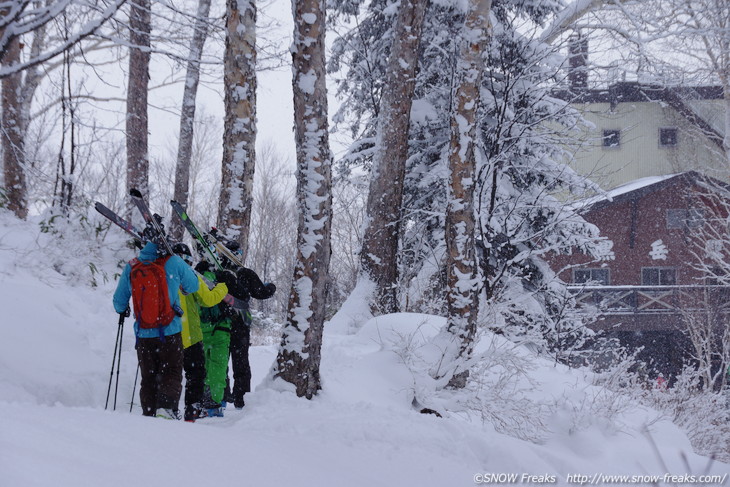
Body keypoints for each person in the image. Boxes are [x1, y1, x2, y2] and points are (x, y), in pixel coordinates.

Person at [113, 228, 199, 420]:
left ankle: (149, 414)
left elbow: (119, 301)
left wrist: (123, 310)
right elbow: (194, 285)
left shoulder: (133, 266)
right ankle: (166, 410)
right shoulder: (174, 262)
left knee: (149, 377)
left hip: (144, 334)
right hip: (170, 331)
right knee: (171, 372)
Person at [172, 243, 229, 422]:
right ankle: (192, 410)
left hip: (166, 334)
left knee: (170, 374)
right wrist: (223, 287)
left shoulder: (165, 274)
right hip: (189, 335)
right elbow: (208, 299)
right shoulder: (189, 275)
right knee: (195, 374)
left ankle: (166, 409)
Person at [217, 240, 276, 410]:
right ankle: (241, 399)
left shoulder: (218, 271)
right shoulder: (245, 273)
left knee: (220, 361)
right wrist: (272, 287)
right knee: (240, 362)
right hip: (240, 323)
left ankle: (222, 395)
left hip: (220, 323)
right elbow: (261, 293)